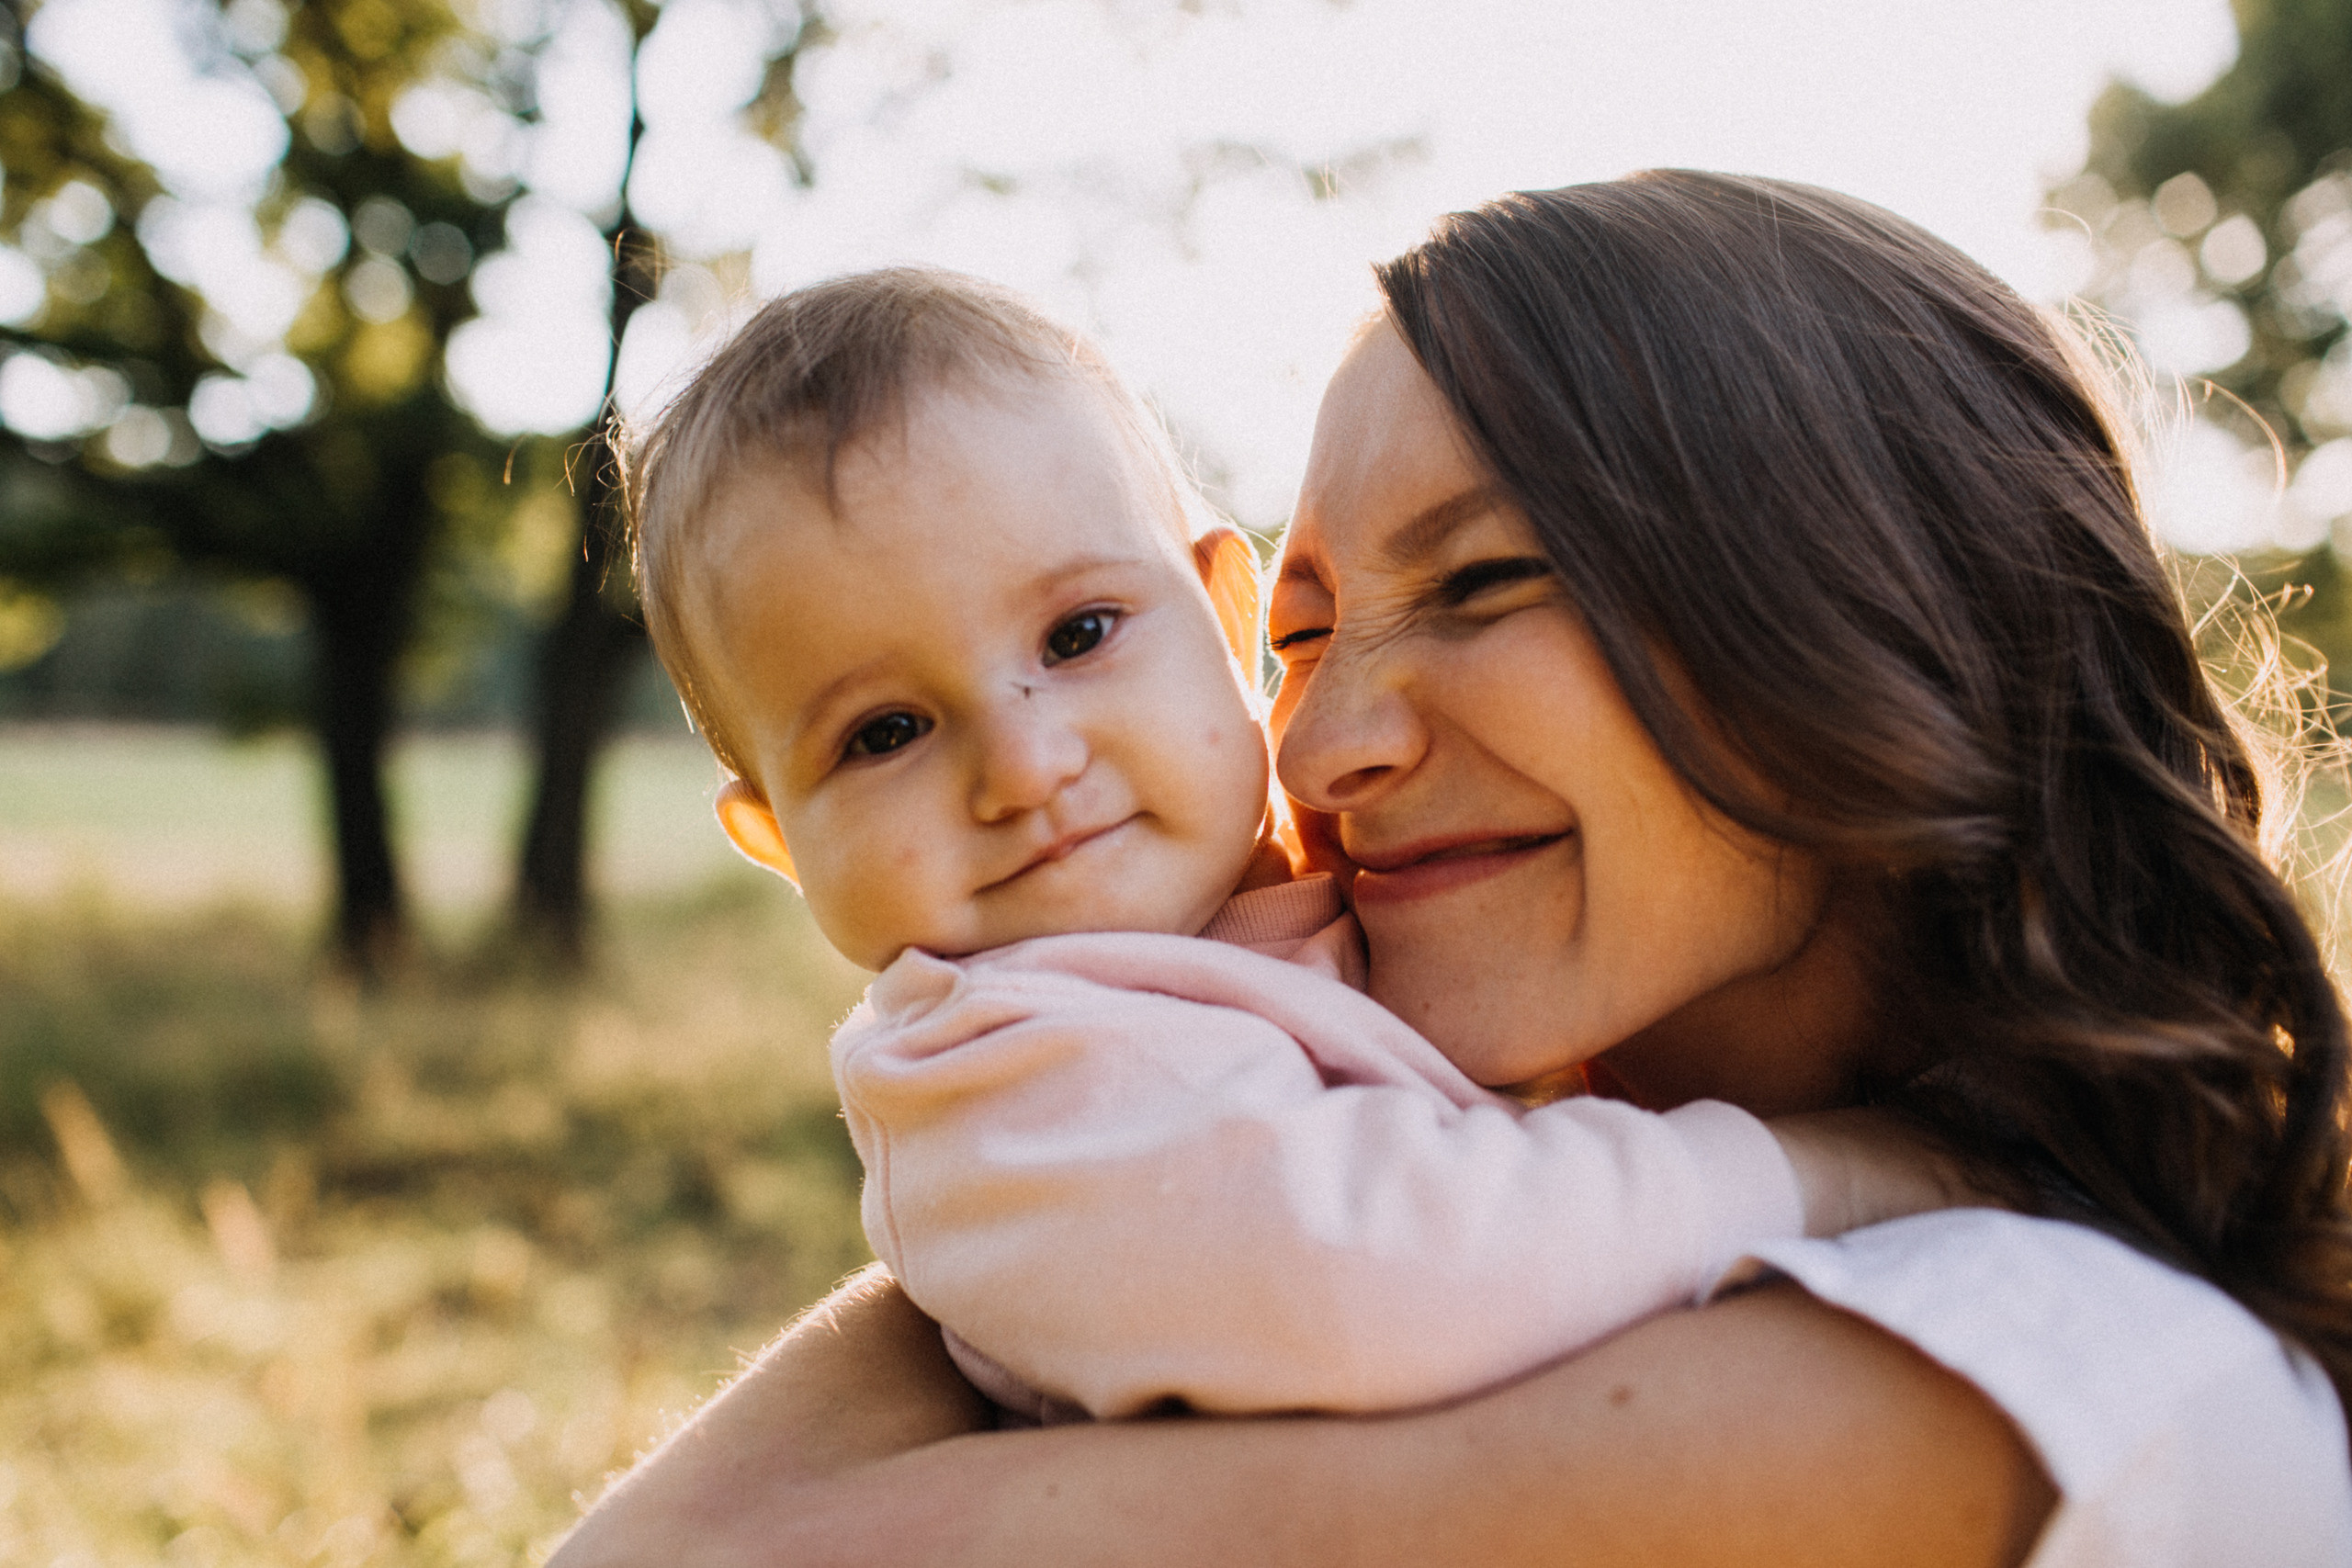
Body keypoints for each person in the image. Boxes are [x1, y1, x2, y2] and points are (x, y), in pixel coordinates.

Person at [553, 173, 2352, 1565]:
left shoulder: (2043, 1363)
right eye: (1308, 632)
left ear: (1865, 611)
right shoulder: (1227, 1102)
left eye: (1481, 582)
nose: (1321, 751)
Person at [618, 265, 1949, 1426]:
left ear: (1222, 614)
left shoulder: (1312, 921)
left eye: (1078, 638)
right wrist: (1840, 1169)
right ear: (777, 838)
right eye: (887, 732)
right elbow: (1393, 1275)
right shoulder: (1005, 1073)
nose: (1024, 767)